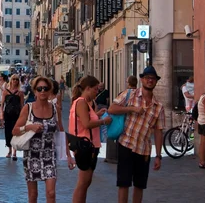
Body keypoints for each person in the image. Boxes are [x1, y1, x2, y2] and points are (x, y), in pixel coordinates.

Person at [13, 76, 75, 203]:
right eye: (39, 89)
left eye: (45, 88)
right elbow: (15, 130)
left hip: (49, 154)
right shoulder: (28, 108)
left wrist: (68, 155)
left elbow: (61, 132)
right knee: (33, 195)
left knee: (51, 193)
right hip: (31, 155)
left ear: (49, 91)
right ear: (35, 91)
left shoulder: (54, 108)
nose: (42, 91)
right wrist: (30, 127)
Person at [109, 66, 165, 203]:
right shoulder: (130, 94)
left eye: (152, 79)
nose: (150, 81)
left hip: (144, 150)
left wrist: (158, 155)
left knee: (139, 185)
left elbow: (158, 131)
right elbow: (112, 108)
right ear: (142, 80)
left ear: (156, 82)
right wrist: (131, 108)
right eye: (147, 78)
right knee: (123, 183)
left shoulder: (158, 106)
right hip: (126, 144)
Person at [69, 76, 112, 203]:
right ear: (87, 88)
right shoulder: (81, 102)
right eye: (95, 89)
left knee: (87, 182)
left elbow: (87, 119)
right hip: (84, 145)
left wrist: (98, 115)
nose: (97, 92)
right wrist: (103, 121)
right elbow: (86, 124)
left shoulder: (89, 103)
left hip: (92, 144)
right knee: (83, 182)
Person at [1, 74, 24, 160]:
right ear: (11, 80)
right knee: (8, 132)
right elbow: (2, 104)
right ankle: (9, 150)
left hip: (17, 114)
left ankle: (14, 151)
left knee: (16, 132)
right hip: (7, 114)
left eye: (17, 79)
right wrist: (1, 114)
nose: (15, 81)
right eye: (14, 79)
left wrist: (23, 116)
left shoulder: (20, 93)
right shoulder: (5, 91)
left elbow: (22, 105)